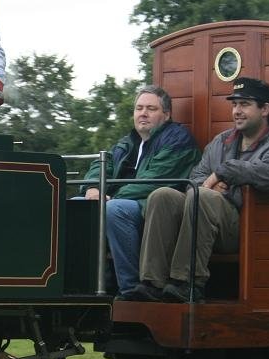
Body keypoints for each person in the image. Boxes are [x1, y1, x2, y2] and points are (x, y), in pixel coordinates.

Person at [133, 77, 269, 303]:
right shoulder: (221, 141)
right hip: (205, 219)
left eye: (244, 104)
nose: (237, 111)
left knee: (203, 196)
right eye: (234, 105)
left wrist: (223, 174)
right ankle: (153, 282)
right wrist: (212, 182)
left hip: (250, 228)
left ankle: (187, 283)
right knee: (162, 195)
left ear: (265, 109)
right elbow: (196, 176)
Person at [82, 85, 200, 300]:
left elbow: (154, 180)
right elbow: (103, 163)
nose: (143, 113)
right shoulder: (128, 142)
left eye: (151, 109)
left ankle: (131, 289)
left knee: (113, 210)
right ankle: (81, 283)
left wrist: (111, 198)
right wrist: (93, 188)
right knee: (77, 205)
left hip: (155, 209)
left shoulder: (178, 139)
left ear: (166, 115)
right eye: (138, 108)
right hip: (121, 202)